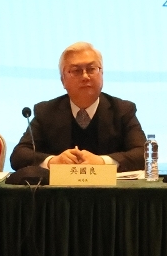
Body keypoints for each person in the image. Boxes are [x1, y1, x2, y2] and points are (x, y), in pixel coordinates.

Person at [9, 42, 146, 172]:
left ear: (102, 74)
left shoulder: (122, 110)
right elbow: (19, 156)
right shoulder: (46, 112)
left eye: (91, 69)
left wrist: (103, 162)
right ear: (63, 80)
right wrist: (53, 161)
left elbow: (143, 154)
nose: (85, 76)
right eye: (76, 71)